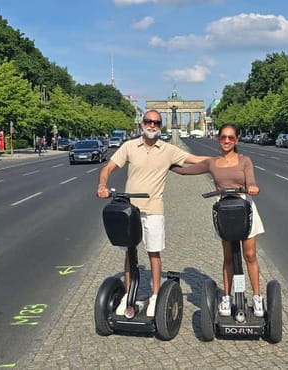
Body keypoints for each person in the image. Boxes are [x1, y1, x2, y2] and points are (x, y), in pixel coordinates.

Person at [96, 110, 208, 317]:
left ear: (160, 126)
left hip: (154, 208)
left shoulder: (167, 149)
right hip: (130, 209)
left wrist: (226, 159)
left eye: (156, 122)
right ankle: (128, 293)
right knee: (129, 252)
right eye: (148, 121)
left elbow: (194, 159)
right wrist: (103, 185)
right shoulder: (129, 146)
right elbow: (109, 167)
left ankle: (156, 295)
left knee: (154, 252)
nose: (152, 125)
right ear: (142, 124)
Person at [170, 124, 266, 317]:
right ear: (218, 139)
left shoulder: (244, 160)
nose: (227, 141)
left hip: (244, 208)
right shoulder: (212, 162)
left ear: (236, 140)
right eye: (223, 137)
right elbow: (186, 171)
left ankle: (257, 297)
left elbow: (251, 180)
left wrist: (252, 187)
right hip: (224, 211)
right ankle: (227, 297)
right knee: (228, 257)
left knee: (250, 255)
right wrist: (165, 163)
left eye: (231, 137)